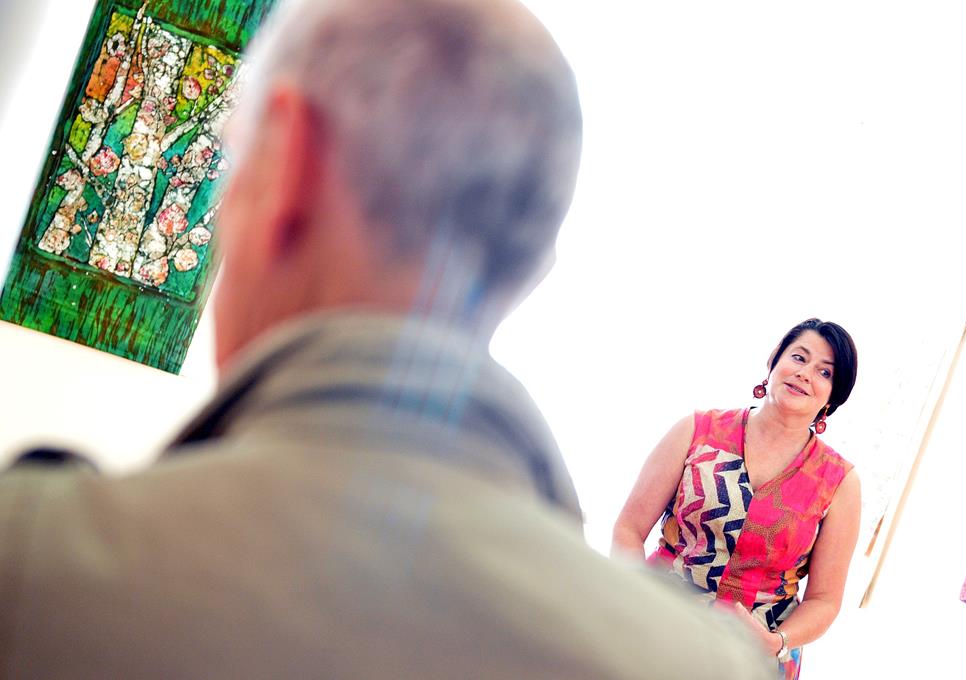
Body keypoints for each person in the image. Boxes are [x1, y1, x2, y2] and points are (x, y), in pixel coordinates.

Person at [0, 1, 776, 678]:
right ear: (535, 265)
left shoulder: (34, 570)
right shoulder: (705, 666)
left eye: (234, 166)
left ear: (285, 164)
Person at [612, 318, 861, 680]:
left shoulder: (839, 482)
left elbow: (824, 600)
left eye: (825, 372)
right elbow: (629, 528)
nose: (805, 374)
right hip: (656, 621)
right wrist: (634, 598)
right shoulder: (696, 430)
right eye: (799, 357)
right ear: (774, 359)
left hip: (751, 657)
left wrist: (777, 641)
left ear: (833, 396)